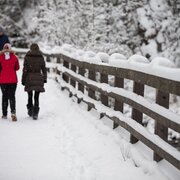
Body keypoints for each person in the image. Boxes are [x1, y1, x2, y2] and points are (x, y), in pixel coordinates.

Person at [22, 43, 47, 120]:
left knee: (29, 95)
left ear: (30, 49)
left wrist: (23, 80)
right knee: (36, 96)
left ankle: (30, 109)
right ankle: (35, 113)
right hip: (38, 77)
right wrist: (44, 78)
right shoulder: (41, 57)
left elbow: (25, 70)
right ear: (38, 48)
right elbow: (44, 69)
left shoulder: (27, 56)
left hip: (29, 77)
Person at [0, 43, 20, 121]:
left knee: (4, 96)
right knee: (12, 96)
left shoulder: (0, 57)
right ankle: (13, 112)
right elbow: (17, 68)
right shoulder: (15, 57)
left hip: (3, 81)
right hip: (12, 80)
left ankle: (4, 114)